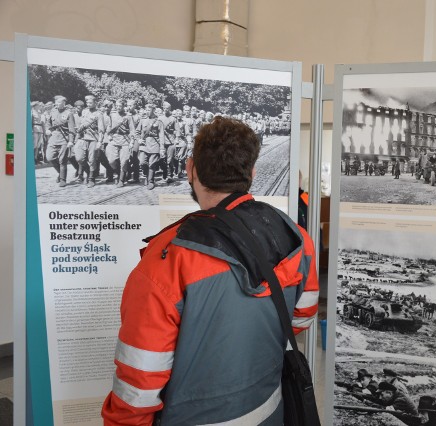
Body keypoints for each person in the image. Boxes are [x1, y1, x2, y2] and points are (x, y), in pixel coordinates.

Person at [102, 117, 319, 425]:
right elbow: (302, 318)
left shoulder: (168, 257)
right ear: (252, 173)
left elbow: (140, 378)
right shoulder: (295, 234)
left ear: (191, 168)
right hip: (269, 409)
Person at [44, 96, 75, 187]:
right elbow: (48, 123)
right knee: (50, 157)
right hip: (54, 137)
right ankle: (60, 173)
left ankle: (63, 179)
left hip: (64, 139)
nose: (56, 104)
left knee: (62, 160)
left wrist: (71, 141)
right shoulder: (53, 112)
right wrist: (47, 129)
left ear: (64, 103)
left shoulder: (69, 113)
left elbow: (71, 129)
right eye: (56, 102)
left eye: (59, 103)